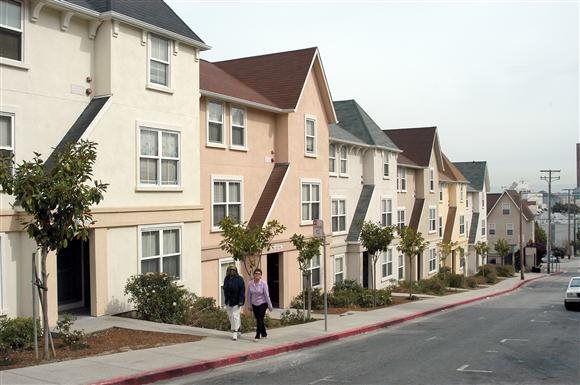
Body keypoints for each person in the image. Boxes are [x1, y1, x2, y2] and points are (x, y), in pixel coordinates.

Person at [246, 268, 273, 341]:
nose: (257, 275)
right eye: (256, 273)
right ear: (254, 275)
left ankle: (257, 335)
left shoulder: (263, 283)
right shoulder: (250, 283)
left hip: (263, 303)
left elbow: (267, 295)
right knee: (259, 319)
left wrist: (270, 306)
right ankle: (264, 334)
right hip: (254, 304)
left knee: (259, 320)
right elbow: (248, 295)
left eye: (259, 274)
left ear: (261, 276)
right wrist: (249, 305)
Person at [223, 265, 245, 341]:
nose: (232, 271)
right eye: (230, 270)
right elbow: (225, 290)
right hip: (228, 301)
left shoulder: (240, 279)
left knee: (235, 315)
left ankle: (235, 332)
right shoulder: (226, 279)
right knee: (230, 316)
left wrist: (241, 301)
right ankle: (238, 328)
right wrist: (226, 299)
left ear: (236, 271)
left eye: (233, 270)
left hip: (237, 301)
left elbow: (242, 291)